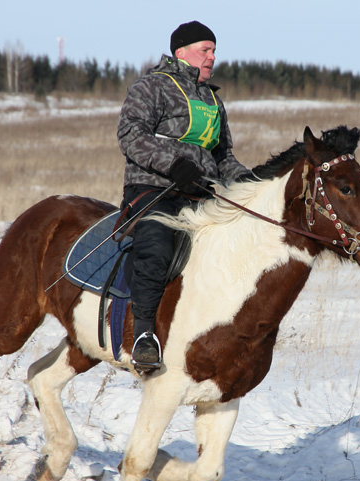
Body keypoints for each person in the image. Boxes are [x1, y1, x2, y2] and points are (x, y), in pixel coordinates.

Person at [117, 20, 249, 372]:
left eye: (214, 50)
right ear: (181, 52)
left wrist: (252, 183)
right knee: (157, 246)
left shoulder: (212, 100)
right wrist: (173, 164)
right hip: (153, 189)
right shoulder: (152, 87)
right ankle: (143, 335)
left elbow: (223, 158)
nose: (212, 57)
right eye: (205, 50)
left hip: (200, 196)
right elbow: (131, 135)